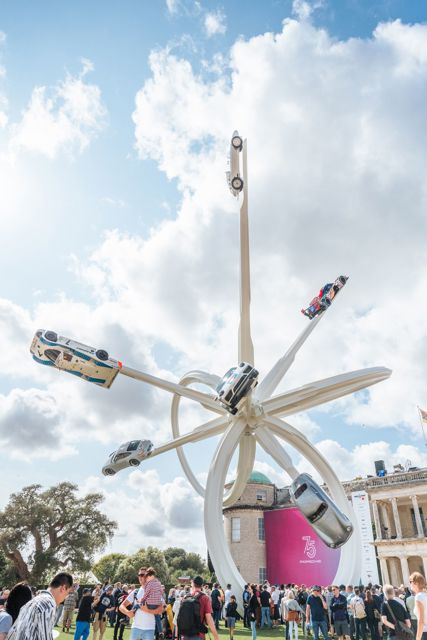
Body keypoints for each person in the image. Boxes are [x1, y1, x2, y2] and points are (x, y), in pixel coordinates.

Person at [6, 572, 73, 640]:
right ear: (63, 588)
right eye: (68, 593)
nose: (66, 597)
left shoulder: (35, 600)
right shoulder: (48, 605)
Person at [119, 568, 159, 640]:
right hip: (136, 628)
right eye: (139, 575)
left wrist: (148, 609)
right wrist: (128, 612)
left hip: (149, 629)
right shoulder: (135, 592)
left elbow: (162, 609)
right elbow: (121, 606)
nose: (140, 577)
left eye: (142, 575)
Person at [176, 576, 219, 640]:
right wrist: (216, 637)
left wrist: (177, 636)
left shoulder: (185, 597)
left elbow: (179, 617)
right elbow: (209, 619)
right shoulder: (205, 598)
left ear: (192, 584)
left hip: (184, 635)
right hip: (198, 634)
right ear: (202, 585)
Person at [410, 572, 427, 640]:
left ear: (416, 583)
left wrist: (418, 638)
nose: (410, 584)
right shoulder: (425, 595)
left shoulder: (418, 597)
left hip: (425, 633)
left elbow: (421, 621)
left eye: (410, 582)